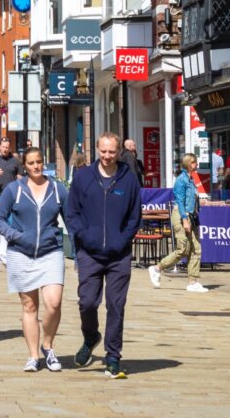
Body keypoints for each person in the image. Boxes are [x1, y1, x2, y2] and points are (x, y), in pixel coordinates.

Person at [64, 133, 143, 379]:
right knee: (87, 302)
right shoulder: (83, 177)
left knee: (116, 305)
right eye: (103, 151)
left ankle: (112, 356)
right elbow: (71, 212)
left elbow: (134, 216)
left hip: (119, 255)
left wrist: (122, 239)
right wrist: (84, 237)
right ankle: (90, 336)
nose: (107, 157)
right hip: (90, 252)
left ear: (119, 152)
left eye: (112, 152)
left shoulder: (128, 179)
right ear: (96, 149)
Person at [0, 146, 69, 373]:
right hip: (21, 253)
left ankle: (48, 345)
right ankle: (34, 355)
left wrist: (82, 248)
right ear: (24, 166)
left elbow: (72, 219)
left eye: (39, 162)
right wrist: (17, 236)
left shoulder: (57, 189)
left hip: (51, 250)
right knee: (29, 306)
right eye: (31, 163)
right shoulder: (14, 189)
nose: (36, 166)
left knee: (54, 303)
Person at [149, 152, 207, 292]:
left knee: (196, 248)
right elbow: (180, 201)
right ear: (188, 164)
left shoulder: (191, 179)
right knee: (183, 249)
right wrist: (184, 219)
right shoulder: (181, 180)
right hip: (182, 215)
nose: (196, 164)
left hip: (191, 215)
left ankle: (192, 281)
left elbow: (192, 200)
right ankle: (157, 268)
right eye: (194, 162)